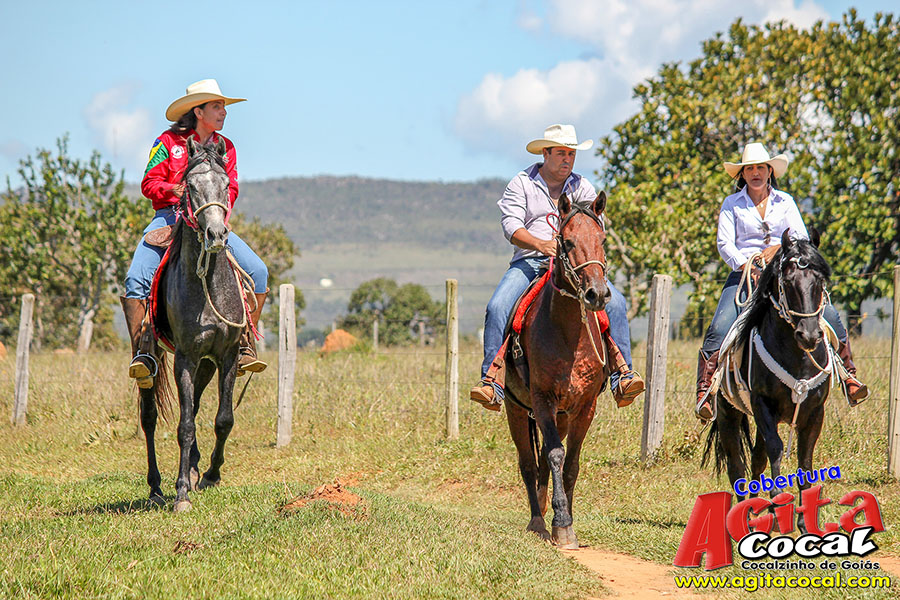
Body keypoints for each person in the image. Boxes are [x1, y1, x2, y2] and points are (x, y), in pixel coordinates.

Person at [470, 124, 644, 411]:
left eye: (571, 154)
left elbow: (593, 226)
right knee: (498, 306)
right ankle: (492, 380)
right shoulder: (522, 183)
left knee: (616, 303)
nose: (567, 159)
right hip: (530, 261)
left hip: (574, 266)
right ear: (546, 153)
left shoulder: (582, 187)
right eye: (561, 153)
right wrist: (541, 244)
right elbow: (511, 226)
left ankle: (622, 375)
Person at [695, 142, 868, 421]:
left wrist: (777, 249)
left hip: (784, 274)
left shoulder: (785, 201)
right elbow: (724, 243)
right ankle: (706, 390)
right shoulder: (731, 204)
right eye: (749, 168)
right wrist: (747, 265)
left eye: (760, 168)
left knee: (828, 314)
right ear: (742, 174)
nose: (755, 173)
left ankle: (849, 376)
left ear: (769, 171)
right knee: (719, 326)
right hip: (744, 275)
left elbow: (801, 237)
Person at [120, 79, 269, 388]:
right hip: (169, 218)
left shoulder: (226, 148)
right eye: (217, 106)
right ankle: (143, 353)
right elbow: (149, 183)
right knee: (136, 278)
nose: (223, 112)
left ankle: (244, 342)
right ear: (198, 111)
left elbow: (231, 188)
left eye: (223, 107)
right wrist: (174, 190)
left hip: (211, 222)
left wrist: (217, 216)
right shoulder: (167, 142)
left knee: (258, 272)